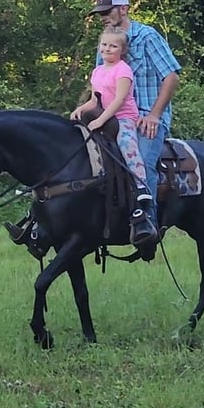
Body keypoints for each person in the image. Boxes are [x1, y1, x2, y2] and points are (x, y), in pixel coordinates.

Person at [6, 0, 181, 261]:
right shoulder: (106, 43)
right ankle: (42, 224)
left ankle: (147, 225)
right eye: (99, 13)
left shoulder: (147, 37)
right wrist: (85, 106)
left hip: (144, 116)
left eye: (106, 11)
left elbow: (171, 77)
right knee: (71, 159)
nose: (102, 17)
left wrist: (155, 115)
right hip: (111, 116)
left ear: (123, 9)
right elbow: (99, 88)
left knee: (142, 163)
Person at [70, 25, 158, 247]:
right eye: (104, 45)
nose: (107, 49)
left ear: (122, 50)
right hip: (103, 114)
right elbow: (95, 99)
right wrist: (81, 109)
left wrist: (100, 120)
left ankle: (141, 187)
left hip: (123, 117)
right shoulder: (98, 71)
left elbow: (119, 100)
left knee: (127, 145)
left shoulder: (123, 70)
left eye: (113, 46)